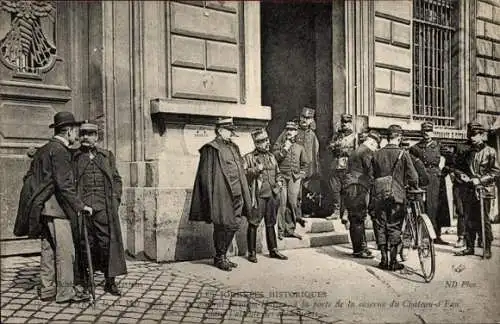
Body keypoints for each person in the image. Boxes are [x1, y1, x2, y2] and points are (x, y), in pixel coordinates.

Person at [27, 111, 93, 303]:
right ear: (69, 131)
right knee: (65, 250)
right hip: (57, 208)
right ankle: (65, 292)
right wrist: (81, 206)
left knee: (48, 249)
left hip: (43, 207)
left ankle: (47, 289)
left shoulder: (45, 149)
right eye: (76, 131)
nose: (78, 136)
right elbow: (64, 185)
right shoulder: (60, 151)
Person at [189, 117, 252, 271]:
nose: (231, 133)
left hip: (238, 193)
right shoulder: (211, 149)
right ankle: (219, 256)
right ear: (220, 130)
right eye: (229, 130)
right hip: (222, 194)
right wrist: (210, 198)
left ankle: (223, 254)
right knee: (222, 225)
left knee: (234, 224)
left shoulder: (234, 147)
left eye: (232, 131)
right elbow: (205, 176)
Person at [73, 121, 127, 296]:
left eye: (89, 134)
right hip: (84, 209)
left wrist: (115, 200)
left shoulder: (106, 156)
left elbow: (117, 180)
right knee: (85, 243)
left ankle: (110, 281)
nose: (85, 137)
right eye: (82, 134)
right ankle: (87, 280)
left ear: (97, 137)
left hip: (104, 208)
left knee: (106, 243)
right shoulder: (74, 157)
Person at [371, 125, 419, 271]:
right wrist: (412, 186)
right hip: (397, 196)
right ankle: (393, 261)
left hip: (379, 195)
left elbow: (372, 175)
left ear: (387, 138)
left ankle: (383, 260)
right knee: (394, 226)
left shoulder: (376, 153)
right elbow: (413, 177)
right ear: (399, 138)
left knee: (380, 224)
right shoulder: (403, 154)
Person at [454, 122, 499, 259]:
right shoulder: (466, 152)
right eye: (470, 135)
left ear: (481, 135)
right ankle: (469, 247)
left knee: (483, 219)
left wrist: (480, 180)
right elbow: (457, 168)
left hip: (483, 190)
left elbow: (496, 172)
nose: (472, 138)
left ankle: (487, 248)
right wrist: (462, 175)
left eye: (474, 135)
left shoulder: (490, 151)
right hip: (468, 190)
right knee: (468, 219)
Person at [243, 128, 288, 263]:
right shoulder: (248, 157)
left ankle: (273, 250)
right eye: (263, 141)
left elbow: (278, 173)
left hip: (272, 195)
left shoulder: (271, 156)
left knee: (271, 223)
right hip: (258, 196)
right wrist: (256, 169)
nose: (267, 143)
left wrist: (279, 183)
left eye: (267, 140)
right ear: (256, 143)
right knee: (253, 223)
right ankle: (251, 252)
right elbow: (243, 173)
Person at [409, 122, 450, 245]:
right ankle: (422, 235)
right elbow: (411, 163)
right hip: (421, 179)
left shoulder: (438, 146)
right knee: (422, 206)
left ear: (432, 132)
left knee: (435, 206)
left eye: (429, 131)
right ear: (421, 132)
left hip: (435, 179)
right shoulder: (415, 148)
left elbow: (452, 159)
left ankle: (436, 235)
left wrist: (444, 172)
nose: (427, 133)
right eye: (424, 131)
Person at [275, 107, 320, 217]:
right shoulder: (291, 130)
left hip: (306, 168)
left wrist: (314, 169)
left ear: (312, 120)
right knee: (294, 196)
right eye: (303, 117)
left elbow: (315, 153)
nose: (305, 120)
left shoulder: (312, 134)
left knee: (307, 191)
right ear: (300, 117)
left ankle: (304, 213)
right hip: (292, 168)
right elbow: (278, 145)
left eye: (308, 118)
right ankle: (296, 217)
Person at [343, 130, 381, 259]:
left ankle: (361, 247)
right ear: (372, 142)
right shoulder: (366, 151)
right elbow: (370, 170)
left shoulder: (359, 149)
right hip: (357, 186)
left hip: (352, 185)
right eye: (376, 145)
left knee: (357, 218)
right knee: (358, 218)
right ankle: (359, 250)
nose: (376, 148)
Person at [273, 121, 308, 240]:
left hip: (294, 178)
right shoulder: (279, 145)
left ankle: (290, 229)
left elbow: (305, 164)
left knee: (292, 203)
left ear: (296, 132)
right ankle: (281, 231)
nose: (289, 132)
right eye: (287, 129)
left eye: (292, 130)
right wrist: (285, 148)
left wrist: (301, 175)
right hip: (282, 177)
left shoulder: (300, 147)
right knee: (282, 204)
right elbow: (275, 159)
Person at [328, 114, 357, 219]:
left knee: (347, 189)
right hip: (336, 164)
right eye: (343, 122)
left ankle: (345, 212)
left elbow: (357, 152)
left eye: (347, 122)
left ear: (351, 124)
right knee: (334, 188)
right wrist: (334, 145)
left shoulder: (354, 137)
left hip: (348, 165)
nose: (344, 125)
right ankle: (336, 211)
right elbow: (330, 146)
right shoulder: (336, 135)